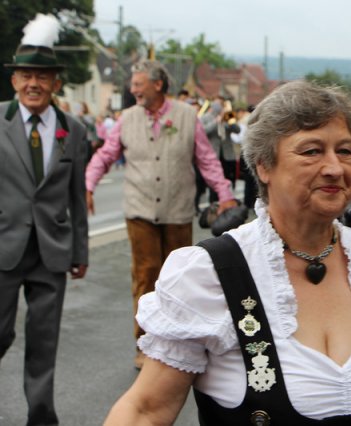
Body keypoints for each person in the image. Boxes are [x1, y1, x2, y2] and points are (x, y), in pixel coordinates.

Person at [103, 80, 351, 425]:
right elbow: (146, 410)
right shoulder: (214, 274)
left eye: (345, 151)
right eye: (312, 151)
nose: (335, 167)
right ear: (264, 166)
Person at [85, 59, 237, 369]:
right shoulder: (127, 118)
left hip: (177, 209)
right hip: (139, 208)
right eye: (133, 85)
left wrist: (225, 194)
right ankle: (144, 343)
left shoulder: (186, 116)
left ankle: (176, 341)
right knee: (146, 274)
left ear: (158, 85)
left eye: (138, 84)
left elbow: (207, 159)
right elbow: (105, 155)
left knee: (179, 278)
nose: (133, 90)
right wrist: (88, 184)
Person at [0, 15, 88, 425]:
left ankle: (40, 416)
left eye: (42, 76)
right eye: (26, 76)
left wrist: (80, 251)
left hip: (52, 252)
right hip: (3, 247)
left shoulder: (75, 130)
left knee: (43, 341)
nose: (33, 84)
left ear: (55, 83)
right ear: (14, 80)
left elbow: (76, 195)